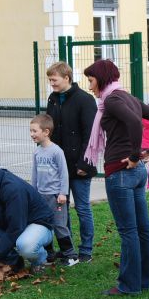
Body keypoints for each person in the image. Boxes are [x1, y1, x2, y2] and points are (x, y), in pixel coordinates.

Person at [83, 59, 149, 296]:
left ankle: (129, 286)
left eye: (91, 80)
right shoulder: (126, 96)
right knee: (142, 228)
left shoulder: (111, 100)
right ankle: (143, 280)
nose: (90, 86)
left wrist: (135, 154)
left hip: (120, 172)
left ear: (101, 78)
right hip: (136, 173)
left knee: (129, 230)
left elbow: (134, 123)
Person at [45, 61, 98, 263]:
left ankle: (86, 249)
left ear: (66, 78)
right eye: (50, 80)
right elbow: (49, 128)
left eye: (54, 80)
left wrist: (85, 163)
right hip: (59, 166)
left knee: (82, 207)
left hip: (79, 165)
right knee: (61, 207)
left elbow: (90, 135)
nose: (52, 84)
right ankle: (68, 248)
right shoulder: (53, 99)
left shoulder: (85, 100)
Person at [0, 157, 54, 274]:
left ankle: (40, 261)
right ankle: (14, 261)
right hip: (11, 224)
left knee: (26, 246)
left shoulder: (13, 188)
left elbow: (15, 228)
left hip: (37, 224)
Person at [30, 114, 78, 267]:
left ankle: (70, 255)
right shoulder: (37, 152)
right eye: (30, 131)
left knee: (59, 225)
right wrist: (33, 193)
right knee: (45, 224)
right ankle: (49, 253)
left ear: (46, 132)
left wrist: (63, 193)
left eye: (34, 131)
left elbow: (64, 173)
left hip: (56, 196)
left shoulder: (56, 151)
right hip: (41, 196)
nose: (32, 134)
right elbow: (35, 174)